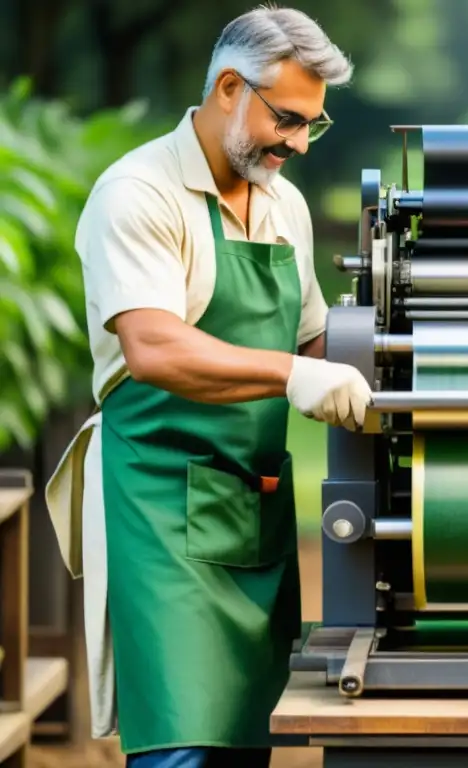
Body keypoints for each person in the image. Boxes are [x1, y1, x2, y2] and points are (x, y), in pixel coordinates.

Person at [44, 5, 372, 766]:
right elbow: (156, 348)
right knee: (182, 745)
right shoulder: (138, 194)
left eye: (312, 127)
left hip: (252, 512)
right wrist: (296, 375)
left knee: (246, 743)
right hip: (161, 512)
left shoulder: (282, 203)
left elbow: (313, 337)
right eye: (288, 119)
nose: (297, 143)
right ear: (230, 86)